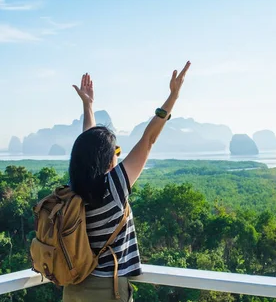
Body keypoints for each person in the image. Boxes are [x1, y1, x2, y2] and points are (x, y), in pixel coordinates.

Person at [62, 61, 191, 302]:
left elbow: (86, 148)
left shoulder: (73, 190)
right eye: (116, 151)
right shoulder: (113, 187)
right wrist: (173, 97)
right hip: (107, 289)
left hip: (73, 288)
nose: (118, 155)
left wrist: (88, 106)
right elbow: (149, 139)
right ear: (107, 158)